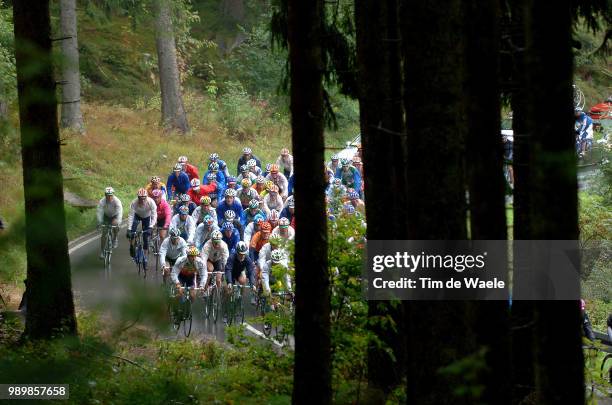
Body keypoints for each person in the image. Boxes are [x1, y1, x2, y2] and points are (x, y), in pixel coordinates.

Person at [127, 188, 157, 263]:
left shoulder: (151, 202)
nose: (142, 200)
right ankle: (132, 246)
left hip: (147, 217)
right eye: (140, 198)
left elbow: (154, 216)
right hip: (137, 216)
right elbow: (131, 216)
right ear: (138, 198)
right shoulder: (134, 203)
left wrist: (151, 226)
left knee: (145, 237)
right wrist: (129, 229)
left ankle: (145, 255)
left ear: (146, 197)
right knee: (132, 233)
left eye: (144, 198)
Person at [96, 187, 123, 259]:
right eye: (108, 195)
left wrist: (118, 222)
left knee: (115, 225)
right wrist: (100, 222)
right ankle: (102, 252)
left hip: (115, 215)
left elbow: (120, 213)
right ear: (105, 195)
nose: (109, 197)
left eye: (111, 195)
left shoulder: (117, 201)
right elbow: (99, 212)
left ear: (113, 195)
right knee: (104, 233)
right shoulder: (102, 201)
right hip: (106, 216)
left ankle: (115, 238)